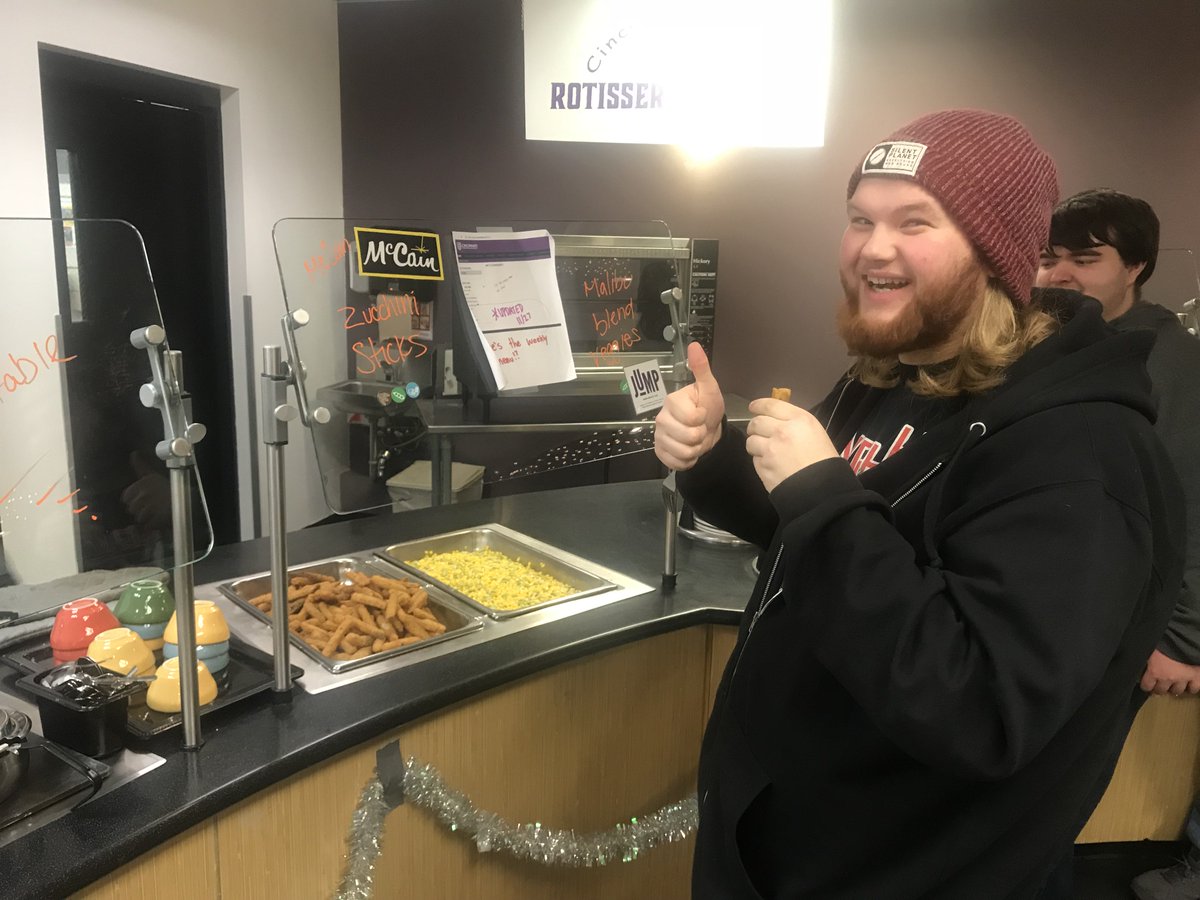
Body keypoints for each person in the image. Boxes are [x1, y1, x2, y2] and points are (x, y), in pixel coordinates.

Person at [654, 109, 1185, 899]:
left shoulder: (1079, 453)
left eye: (915, 221)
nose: (874, 246)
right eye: (860, 219)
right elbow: (833, 543)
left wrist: (822, 493)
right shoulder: (892, 375)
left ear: (998, 250)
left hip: (905, 872)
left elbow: (978, 707)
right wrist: (716, 461)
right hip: (793, 846)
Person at [1036, 190, 1200, 900]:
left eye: (1085, 258)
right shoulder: (1053, 337)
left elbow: (1192, 498)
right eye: (1050, 256)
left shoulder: (1171, 361)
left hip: (1116, 629)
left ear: (1135, 266)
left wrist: (1184, 636)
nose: (1061, 273)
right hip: (1047, 610)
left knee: (1042, 806)